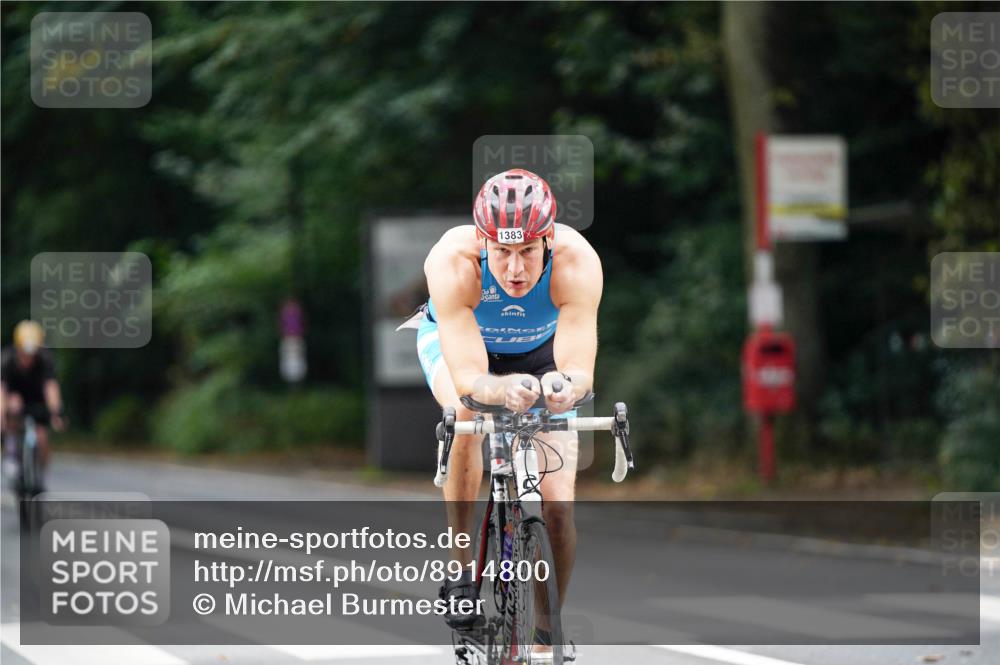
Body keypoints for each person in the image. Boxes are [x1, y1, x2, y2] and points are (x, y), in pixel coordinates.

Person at [411, 168, 602, 655]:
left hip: (540, 355)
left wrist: (564, 386)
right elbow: (470, 379)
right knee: (467, 417)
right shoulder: (452, 260)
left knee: (558, 510)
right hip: (463, 349)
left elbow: (579, 367)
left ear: (549, 242)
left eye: (527, 253)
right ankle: (460, 571)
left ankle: (545, 630)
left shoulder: (578, 261)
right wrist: (496, 391)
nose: (515, 269)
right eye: (501, 252)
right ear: (482, 242)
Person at [1, 320, 65, 487]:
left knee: (42, 437)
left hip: (37, 399)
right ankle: (12, 452)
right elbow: (2, 390)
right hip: (15, 399)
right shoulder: (7, 359)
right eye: (24, 353)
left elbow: (51, 387)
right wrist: (2, 413)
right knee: (12, 415)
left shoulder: (45, 359)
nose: (28, 357)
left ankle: (41, 473)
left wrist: (55, 412)